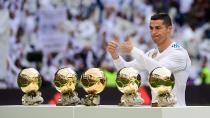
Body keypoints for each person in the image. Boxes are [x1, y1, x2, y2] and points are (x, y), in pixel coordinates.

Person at [107, 13, 191, 106]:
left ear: (169, 29)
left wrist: (133, 50)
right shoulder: (152, 54)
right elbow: (126, 71)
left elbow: (159, 71)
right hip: (157, 112)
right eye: (151, 28)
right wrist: (115, 55)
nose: (154, 32)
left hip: (176, 112)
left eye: (158, 28)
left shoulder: (179, 53)